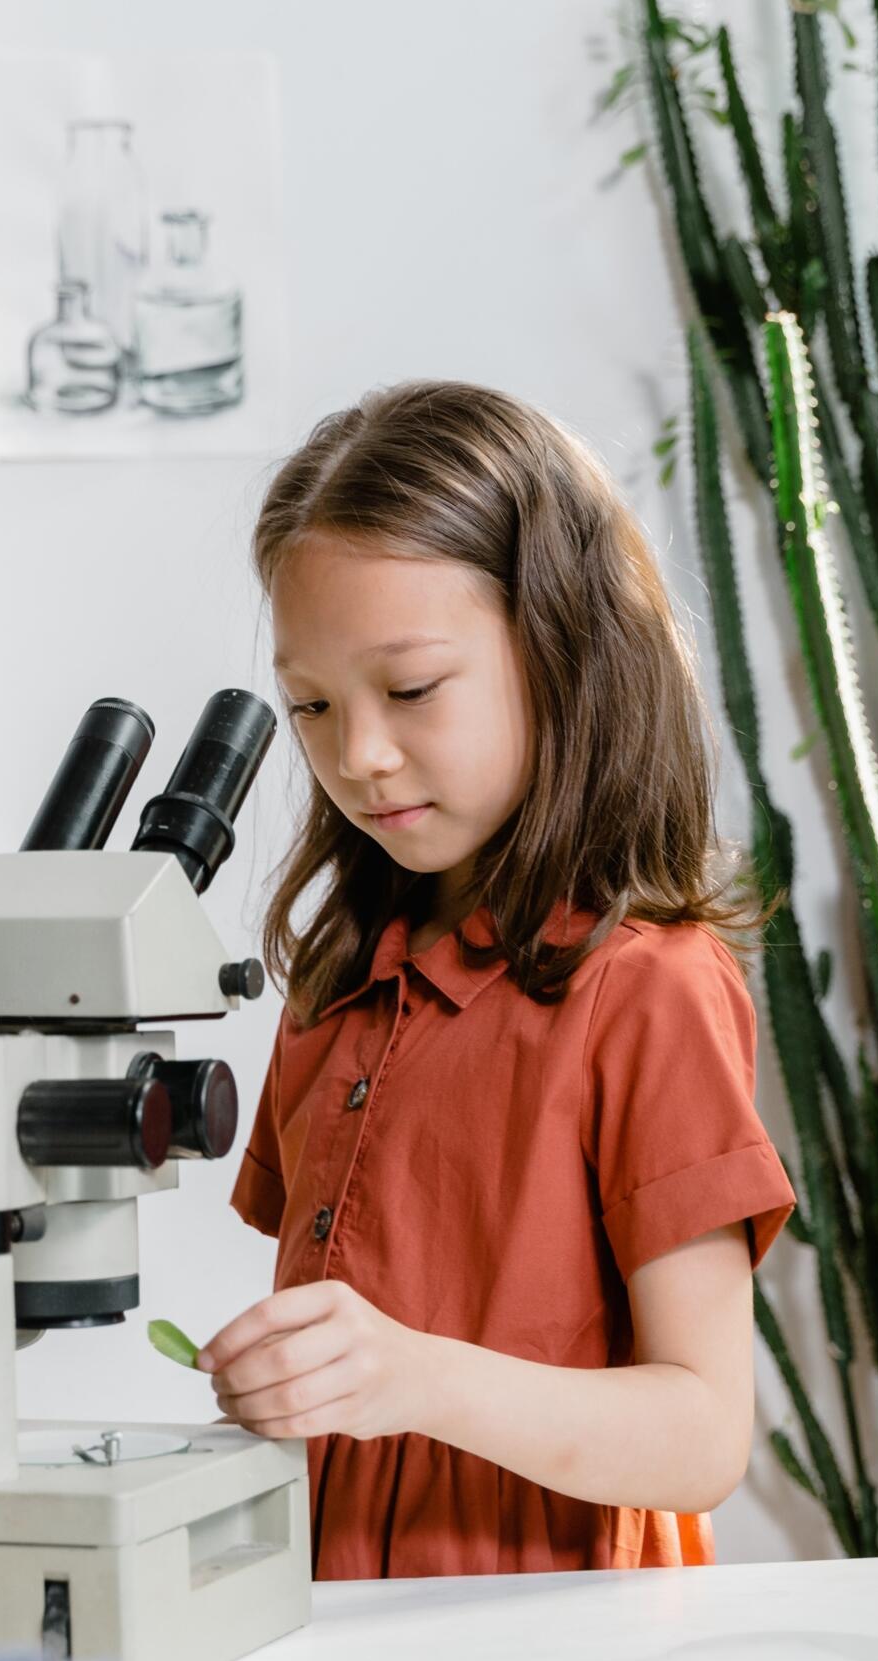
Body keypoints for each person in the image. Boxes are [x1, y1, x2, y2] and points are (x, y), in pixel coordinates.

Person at [199, 379, 797, 1579]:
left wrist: (412, 1378)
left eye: (411, 690)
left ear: (564, 648)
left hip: (556, 1643)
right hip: (339, 1618)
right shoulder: (337, 986)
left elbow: (700, 1433)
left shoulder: (649, 991)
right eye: (311, 704)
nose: (357, 755)